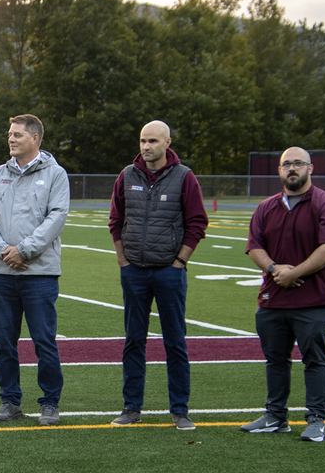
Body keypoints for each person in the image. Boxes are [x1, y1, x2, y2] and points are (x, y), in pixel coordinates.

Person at [242, 147, 325, 443]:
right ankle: (276, 416)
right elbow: (254, 246)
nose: (292, 168)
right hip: (273, 299)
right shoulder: (266, 207)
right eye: (286, 164)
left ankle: (316, 419)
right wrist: (277, 269)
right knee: (275, 359)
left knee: (314, 359)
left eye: (298, 163)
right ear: (279, 170)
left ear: (310, 168)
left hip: (313, 299)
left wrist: (296, 272)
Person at [108, 120, 208, 431]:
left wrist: (179, 262)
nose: (146, 147)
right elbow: (116, 220)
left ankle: (180, 409)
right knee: (133, 340)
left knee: (175, 341)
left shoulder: (184, 177)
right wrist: (123, 260)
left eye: (152, 141)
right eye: (142, 141)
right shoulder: (127, 175)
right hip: (134, 271)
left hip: (169, 271)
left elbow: (197, 224)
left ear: (167, 143)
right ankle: (131, 407)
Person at [0, 114, 70, 426]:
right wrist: (5, 252)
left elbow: (56, 218)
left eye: (17, 134)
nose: (11, 139)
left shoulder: (56, 175)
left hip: (40, 273)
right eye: (10, 134)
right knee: (4, 341)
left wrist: (24, 250)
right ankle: (10, 401)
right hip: (3, 272)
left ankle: (50, 403)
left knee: (44, 341)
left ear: (35, 138)